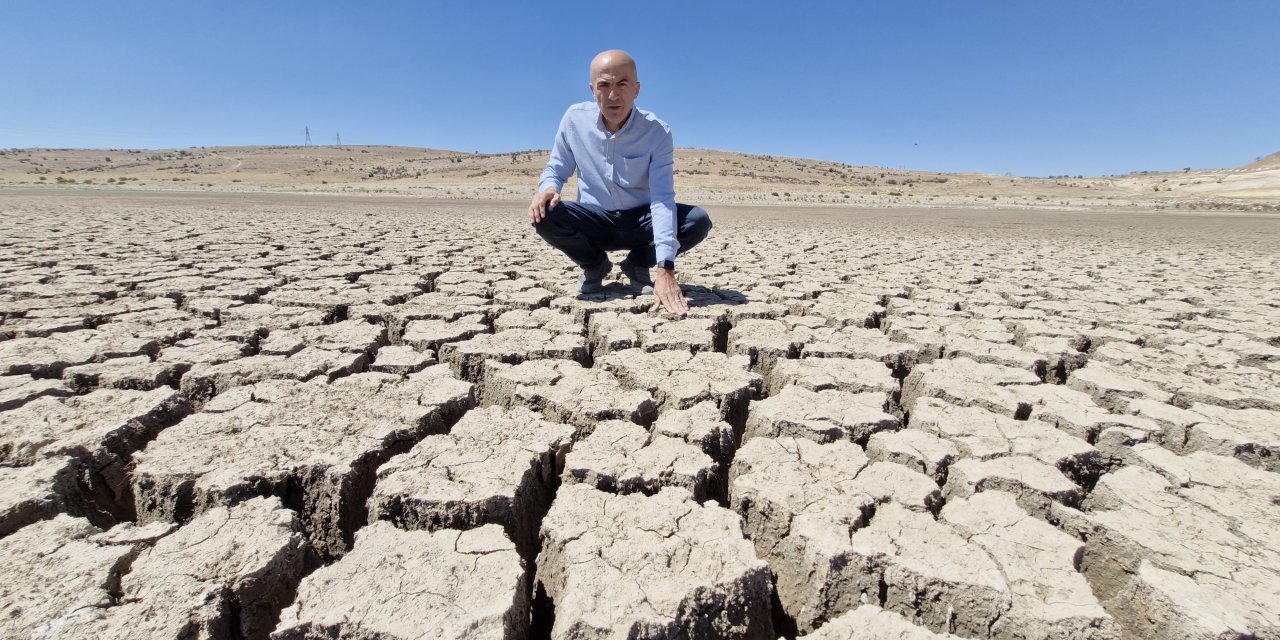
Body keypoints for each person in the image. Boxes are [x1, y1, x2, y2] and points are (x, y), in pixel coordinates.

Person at [528, 49, 712, 317]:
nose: (613, 95)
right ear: (593, 89)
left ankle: (638, 264)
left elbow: (662, 199)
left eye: (622, 84)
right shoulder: (573, 119)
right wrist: (548, 188)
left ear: (636, 90)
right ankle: (594, 265)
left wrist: (665, 268)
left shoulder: (657, 131)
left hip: (640, 220)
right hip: (595, 219)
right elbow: (557, 167)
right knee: (544, 213)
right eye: (604, 85)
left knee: (697, 220)